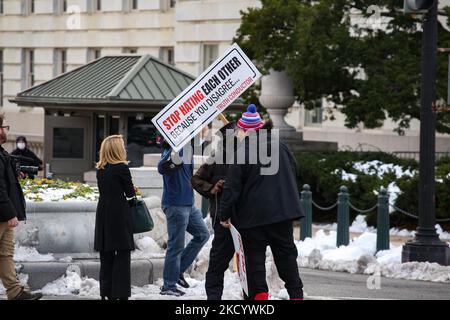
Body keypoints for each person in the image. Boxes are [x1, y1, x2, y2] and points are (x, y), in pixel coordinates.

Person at [218, 104, 305, 300]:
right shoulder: (281, 146)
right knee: (287, 256)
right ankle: (296, 294)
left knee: (254, 260)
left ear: (245, 131)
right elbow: (293, 171)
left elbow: (232, 187)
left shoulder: (242, 151)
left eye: (239, 130)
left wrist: (224, 215)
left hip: (252, 217)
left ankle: (260, 297)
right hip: (282, 214)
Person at [191, 121, 237, 300]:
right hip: (221, 218)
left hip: (243, 219)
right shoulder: (215, 158)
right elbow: (196, 180)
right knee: (218, 262)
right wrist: (212, 188)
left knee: (249, 263)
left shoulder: (249, 157)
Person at [158, 140, 210, 297]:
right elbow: (162, 167)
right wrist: (174, 161)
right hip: (175, 205)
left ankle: (178, 271)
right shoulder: (173, 149)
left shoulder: (187, 148)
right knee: (176, 245)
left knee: (203, 234)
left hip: (188, 203)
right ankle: (168, 285)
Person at [0, 114, 42, 300]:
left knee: (6, 254)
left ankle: (15, 292)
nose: (6, 130)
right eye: (5, 127)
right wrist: (10, 213)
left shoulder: (2, 153)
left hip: (5, 215)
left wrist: (15, 173)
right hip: (3, 214)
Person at [94, 135, 136, 300]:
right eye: (123, 146)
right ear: (117, 149)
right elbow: (130, 193)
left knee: (107, 254)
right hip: (118, 214)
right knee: (123, 254)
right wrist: (133, 188)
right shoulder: (122, 168)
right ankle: (121, 293)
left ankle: (106, 292)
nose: (125, 148)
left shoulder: (100, 169)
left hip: (103, 213)